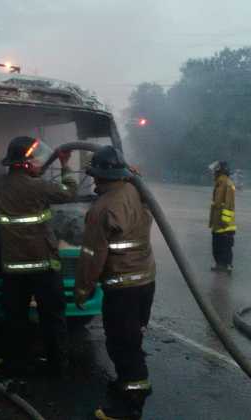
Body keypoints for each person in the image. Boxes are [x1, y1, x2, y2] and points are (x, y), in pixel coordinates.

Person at [74, 145, 155, 420]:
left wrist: (82, 290)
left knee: (122, 344)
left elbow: (91, 256)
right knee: (133, 338)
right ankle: (127, 384)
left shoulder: (103, 208)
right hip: (145, 282)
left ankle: (130, 403)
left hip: (122, 288)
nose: (93, 181)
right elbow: (148, 212)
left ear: (100, 176)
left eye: (95, 175)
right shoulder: (135, 192)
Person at [0, 136, 77, 377]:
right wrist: (65, 165)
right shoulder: (39, 187)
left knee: (15, 320)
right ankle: (57, 366)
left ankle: (14, 365)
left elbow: (23, 186)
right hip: (44, 267)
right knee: (52, 318)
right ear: (27, 163)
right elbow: (69, 191)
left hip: (13, 268)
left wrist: (36, 171)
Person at [208, 160, 236, 273]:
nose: (213, 172)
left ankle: (226, 265)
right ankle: (220, 265)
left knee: (224, 247)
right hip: (217, 224)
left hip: (224, 225)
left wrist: (224, 223)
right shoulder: (219, 183)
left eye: (215, 170)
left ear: (219, 171)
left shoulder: (227, 184)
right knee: (217, 246)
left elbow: (229, 205)